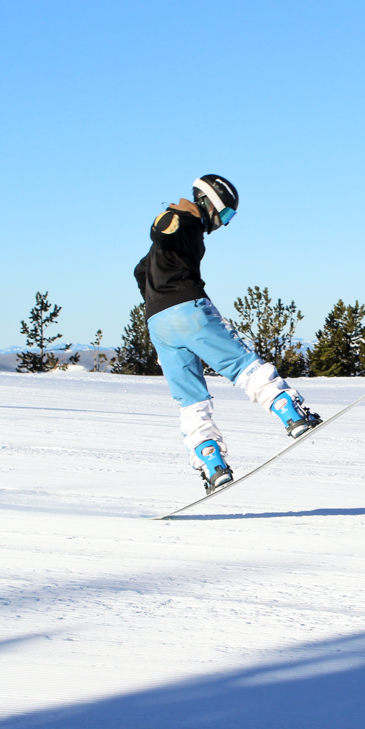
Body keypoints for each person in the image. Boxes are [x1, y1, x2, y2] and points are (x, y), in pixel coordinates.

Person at [134, 174, 320, 493]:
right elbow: (163, 227)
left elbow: (140, 271)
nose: (225, 222)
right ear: (212, 201)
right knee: (241, 365)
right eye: (227, 214)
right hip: (188, 309)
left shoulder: (177, 237)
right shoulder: (186, 218)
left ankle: (212, 463)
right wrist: (170, 224)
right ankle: (291, 412)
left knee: (190, 399)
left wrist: (155, 299)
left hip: (158, 323)